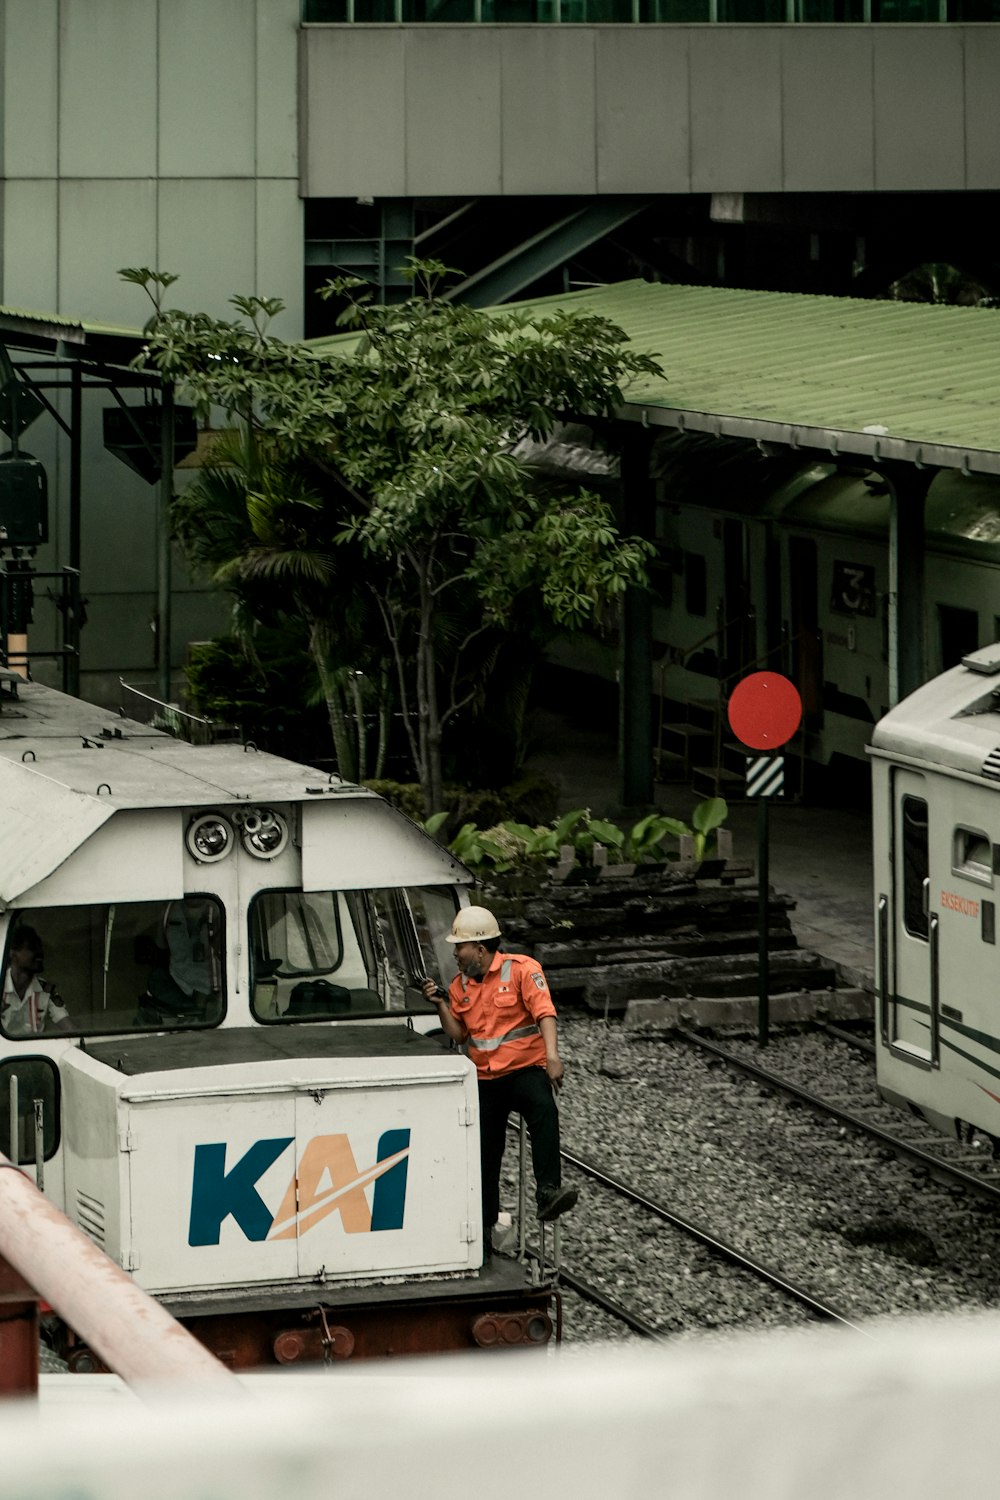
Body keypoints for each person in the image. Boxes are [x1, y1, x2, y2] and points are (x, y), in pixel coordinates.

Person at [422, 905, 578, 1256]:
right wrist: (440, 1005)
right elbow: (460, 1035)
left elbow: (544, 1013)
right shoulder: (458, 986)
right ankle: (485, 1220)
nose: (454, 953)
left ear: (479, 947)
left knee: (543, 1109)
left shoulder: (522, 970)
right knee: (485, 1148)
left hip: (524, 1071)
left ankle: (548, 1192)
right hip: (486, 1079)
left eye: (459, 946)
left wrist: (552, 1057)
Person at [1, 924, 73, 1037]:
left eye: (40, 947)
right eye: (32, 947)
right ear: (13, 953)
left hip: (34, 1053)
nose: (39, 953)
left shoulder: (46, 990)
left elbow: (71, 1030)